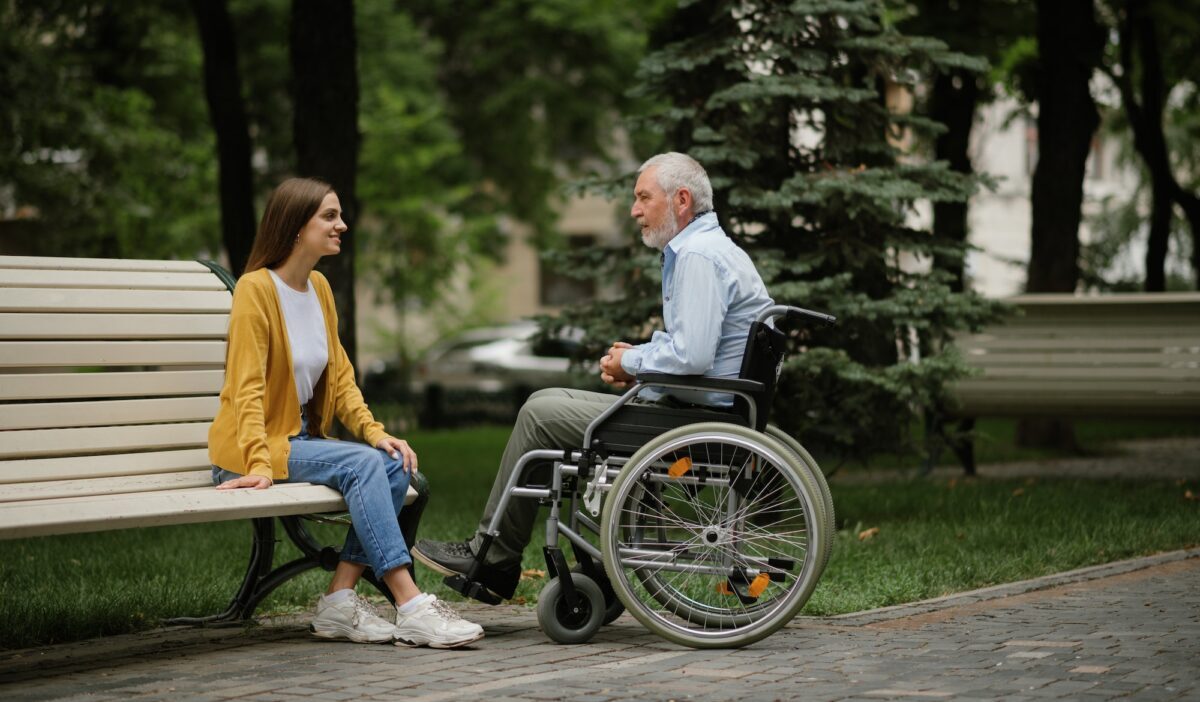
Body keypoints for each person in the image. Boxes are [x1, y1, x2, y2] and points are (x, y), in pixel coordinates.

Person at [413, 152, 774, 599]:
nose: (634, 211)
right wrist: (638, 355)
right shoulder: (713, 250)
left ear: (682, 200)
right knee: (549, 401)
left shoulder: (697, 255)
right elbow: (700, 348)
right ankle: (563, 565)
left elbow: (694, 356)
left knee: (539, 414)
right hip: (702, 411)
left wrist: (633, 364)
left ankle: (494, 559)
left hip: (690, 421)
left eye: (643, 197)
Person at [208, 177, 483, 648]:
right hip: (249, 454)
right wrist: (255, 463)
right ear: (296, 226)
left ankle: (339, 598)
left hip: (297, 444)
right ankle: (411, 603)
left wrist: (377, 434)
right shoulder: (255, 290)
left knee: (393, 465)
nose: (343, 225)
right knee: (360, 466)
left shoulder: (319, 288)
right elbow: (245, 388)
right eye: (330, 217)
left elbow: (340, 378)